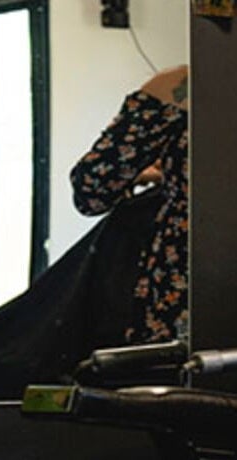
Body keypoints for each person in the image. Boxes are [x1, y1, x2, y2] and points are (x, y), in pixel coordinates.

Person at [70, 64, 190, 345]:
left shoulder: (180, 88)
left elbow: (93, 190)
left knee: (186, 382)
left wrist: (173, 176)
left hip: (187, 280)